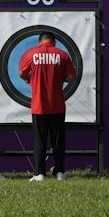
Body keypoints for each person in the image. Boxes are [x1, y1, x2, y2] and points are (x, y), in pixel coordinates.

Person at [19, 30, 72, 180]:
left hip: (39, 106)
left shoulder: (31, 54)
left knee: (39, 141)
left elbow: (22, 73)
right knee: (58, 141)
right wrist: (59, 77)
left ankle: (39, 173)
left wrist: (32, 78)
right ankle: (60, 172)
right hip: (57, 106)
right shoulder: (62, 54)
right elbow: (72, 77)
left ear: (40, 41)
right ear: (54, 42)